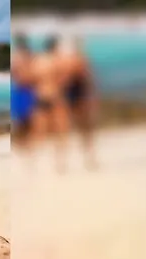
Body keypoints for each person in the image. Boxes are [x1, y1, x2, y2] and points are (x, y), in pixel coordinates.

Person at [55, 34, 99, 171]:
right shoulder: (79, 59)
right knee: (81, 128)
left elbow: (87, 79)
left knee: (76, 129)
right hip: (74, 92)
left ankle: (66, 162)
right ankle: (70, 161)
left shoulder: (67, 60)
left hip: (74, 92)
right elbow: (88, 79)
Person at [29, 34, 72, 173]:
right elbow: (66, 78)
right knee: (60, 131)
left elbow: (31, 79)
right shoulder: (57, 60)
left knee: (39, 132)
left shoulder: (38, 60)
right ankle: (60, 164)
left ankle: (33, 163)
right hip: (55, 96)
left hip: (40, 96)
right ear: (55, 46)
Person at [10, 32, 36, 151]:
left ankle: (25, 141)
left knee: (27, 117)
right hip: (22, 88)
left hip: (25, 88)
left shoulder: (22, 57)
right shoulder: (23, 57)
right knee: (22, 118)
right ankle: (22, 141)